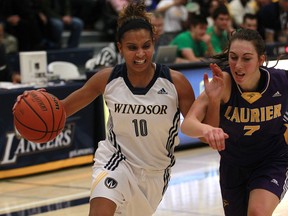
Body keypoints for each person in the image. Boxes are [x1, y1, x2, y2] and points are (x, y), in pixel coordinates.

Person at [13, 1, 197, 215]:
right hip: (116, 160)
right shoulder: (107, 79)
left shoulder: (175, 82)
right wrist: (31, 100)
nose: (140, 54)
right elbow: (61, 109)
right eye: (132, 47)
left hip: (155, 171)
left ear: (154, 44)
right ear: (120, 47)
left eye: (146, 46)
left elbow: (196, 128)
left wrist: (211, 104)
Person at [181, 29, 288, 215]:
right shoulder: (222, 84)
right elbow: (187, 124)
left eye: (246, 59)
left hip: (272, 161)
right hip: (233, 165)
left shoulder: (281, 81)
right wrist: (206, 128)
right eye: (233, 57)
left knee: (257, 212)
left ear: (261, 60)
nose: (238, 65)